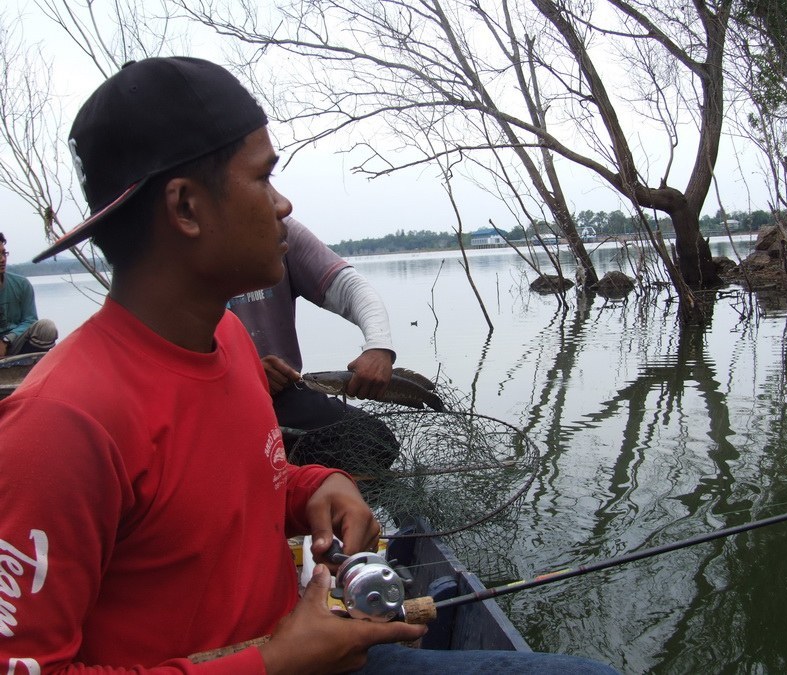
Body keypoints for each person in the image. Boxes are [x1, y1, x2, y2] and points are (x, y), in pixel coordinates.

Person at [0, 57, 616, 674]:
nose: (283, 203)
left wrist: (318, 485)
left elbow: (242, 490)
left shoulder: (229, 342)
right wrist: (271, 663)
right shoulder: (59, 428)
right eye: (264, 178)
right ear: (186, 208)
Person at [229, 219, 401, 473]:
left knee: (374, 441)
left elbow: (352, 288)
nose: (283, 204)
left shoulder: (279, 226)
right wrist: (244, 372)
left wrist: (378, 346)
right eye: (261, 180)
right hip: (209, 403)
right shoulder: (174, 246)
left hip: (281, 394)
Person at [0, 232, 57, 357]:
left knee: (47, 327)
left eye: (4, 253)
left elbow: (30, 320)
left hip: (15, 343)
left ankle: (28, 364)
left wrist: (6, 340)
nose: (2, 259)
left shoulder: (21, 284)